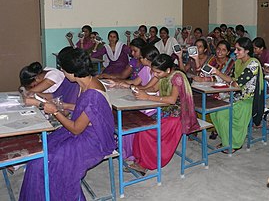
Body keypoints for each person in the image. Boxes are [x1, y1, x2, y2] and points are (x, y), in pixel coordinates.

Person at [19, 47, 115, 201]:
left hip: (93, 140)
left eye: (63, 70)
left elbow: (77, 129)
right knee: (39, 153)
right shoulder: (85, 82)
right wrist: (63, 105)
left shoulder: (93, 92)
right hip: (83, 131)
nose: (62, 73)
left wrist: (54, 111)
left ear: (72, 71)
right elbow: (86, 110)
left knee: (44, 162)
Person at [127, 54, 199, 174]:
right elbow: (154, 89)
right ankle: (140, 160)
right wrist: (140, 90)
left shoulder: (177, 78)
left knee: (147, 131)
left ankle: (146, 163)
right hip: (166, 110)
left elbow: (171, 100)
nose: (155, 75)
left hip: (178, 116)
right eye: (154, 72)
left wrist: (147, 97)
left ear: (168, 70)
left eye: (157, 73)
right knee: (141, 126)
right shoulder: (164, 75)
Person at [210, 37, 263, 153]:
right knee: (214, 111)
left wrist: (232, 82)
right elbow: (231, 80)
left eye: (239, 50)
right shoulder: (238, 62)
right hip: (236, 96)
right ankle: (226, 139)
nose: (235, 52)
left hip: (247, 99)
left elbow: (237, 84)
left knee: (222, 113)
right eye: (236, 49)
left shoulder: (253, 64)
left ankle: (234, 144)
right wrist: (217, 72)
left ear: (247, 51)